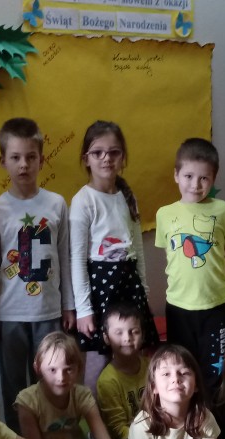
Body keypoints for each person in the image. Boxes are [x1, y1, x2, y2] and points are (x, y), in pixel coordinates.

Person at [0, 118, 74, 429]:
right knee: (14, 385)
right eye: (15, 157)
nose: (23, 164)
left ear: (41, 160)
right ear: (3, 161)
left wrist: (68, 306)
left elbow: (64, 258)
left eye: (30, 157)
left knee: (51, 381)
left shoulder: (56, 204)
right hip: (10, 313)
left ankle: (53, 437)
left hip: (48, 312)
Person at [70, 120, 159, 390]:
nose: (106, 158)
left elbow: (138, 250)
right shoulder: (83, 201)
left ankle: (136, 409)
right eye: (98, 152)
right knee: (98, 361)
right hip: (100, 288)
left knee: (133, 355)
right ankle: (95, 415)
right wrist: (84, 310)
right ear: (86, 159)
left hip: (129, 285)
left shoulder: (127, 197)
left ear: (123, 157)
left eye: (114, 152)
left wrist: (144, 293)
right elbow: (77, 260)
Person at [154, 138, 225, 394]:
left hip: (216, 307)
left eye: (204, 178)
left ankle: (214, 414)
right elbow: (171, 257)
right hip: (179, 307)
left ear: (213, 179)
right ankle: (186, 412)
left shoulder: (223, 209)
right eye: (188, 176)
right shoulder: (164, 214)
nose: (195, 184)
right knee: (181, 368)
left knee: (216, 370)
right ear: (176, 175)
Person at [96, 303, 148, 439]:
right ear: (107, 338)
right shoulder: (107, 381)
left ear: (143, 335)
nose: (127, 338)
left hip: (157, 433)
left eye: (134, 331)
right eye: (119, 333)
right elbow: (118, 429)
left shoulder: (153, 367)